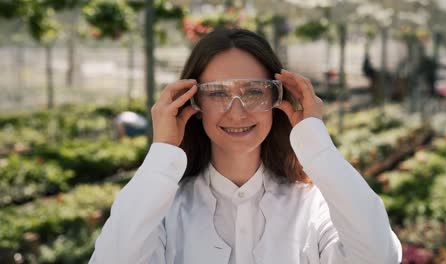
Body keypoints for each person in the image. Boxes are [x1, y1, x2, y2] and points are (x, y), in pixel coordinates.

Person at [89, 28, 402, 264]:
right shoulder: (162, 211)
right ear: (192, 102)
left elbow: (379, 255)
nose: (237, 111)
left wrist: (315, 140)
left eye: (254, 91)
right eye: (217, 93)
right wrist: (163, 149)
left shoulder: (313, 206)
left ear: (276, 99)